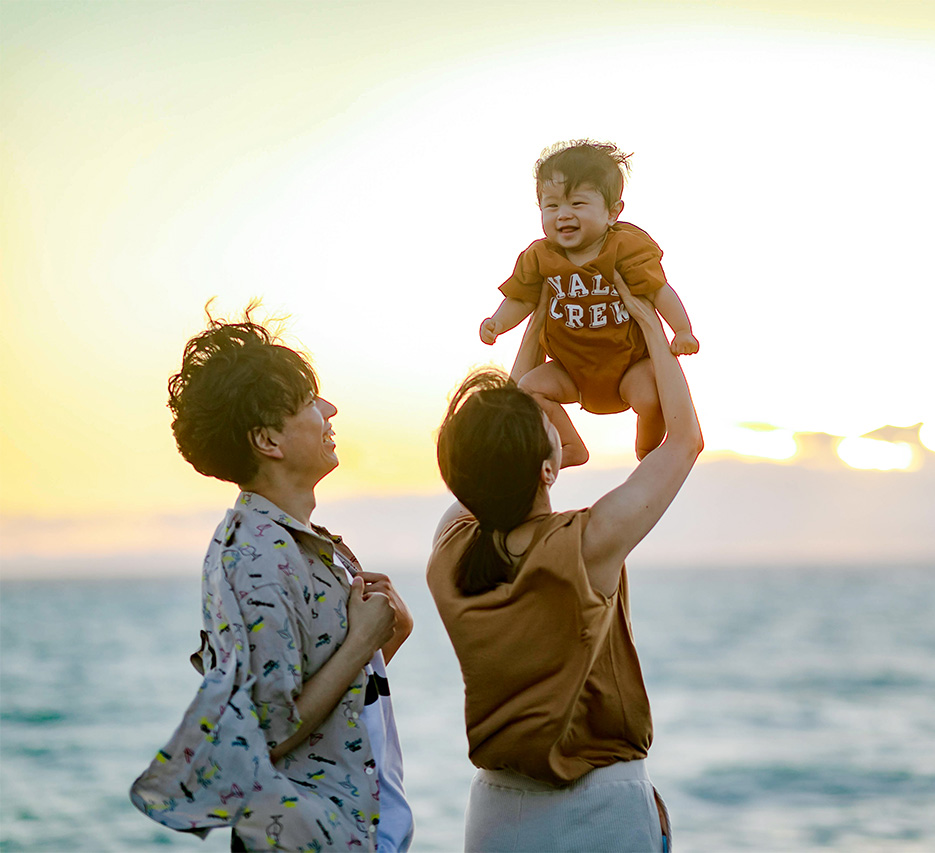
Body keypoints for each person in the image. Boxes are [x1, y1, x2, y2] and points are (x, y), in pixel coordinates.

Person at [431, 275, 703, 851]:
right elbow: (683, 442)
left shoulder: (450, 548)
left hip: (496, 814)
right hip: (601, 806)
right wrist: (649, 322)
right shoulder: (587, 544)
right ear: (546, 468)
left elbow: (495, 442)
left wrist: (539, 317)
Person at [130, 307, 414, 852]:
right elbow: (263, 732)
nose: (329, 410)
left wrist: (386, 638)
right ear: (268, 441)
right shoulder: (253, 555)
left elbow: (312, 693)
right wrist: (361, 641)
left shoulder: (301, 542)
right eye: (310, 402)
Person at [479, 140, 699, 467]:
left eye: (577, 203)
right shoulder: (541, 257)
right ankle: (570, 446)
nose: (563, 214)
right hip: (572, 369)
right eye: (551, 206)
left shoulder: (625, 247)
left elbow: (658, 291)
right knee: (528, 389)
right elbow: (521, 299)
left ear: (613, 212)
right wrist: (498, 322)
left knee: (649, 396)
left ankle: (647, 452)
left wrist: (682, 330)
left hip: (627, 365)